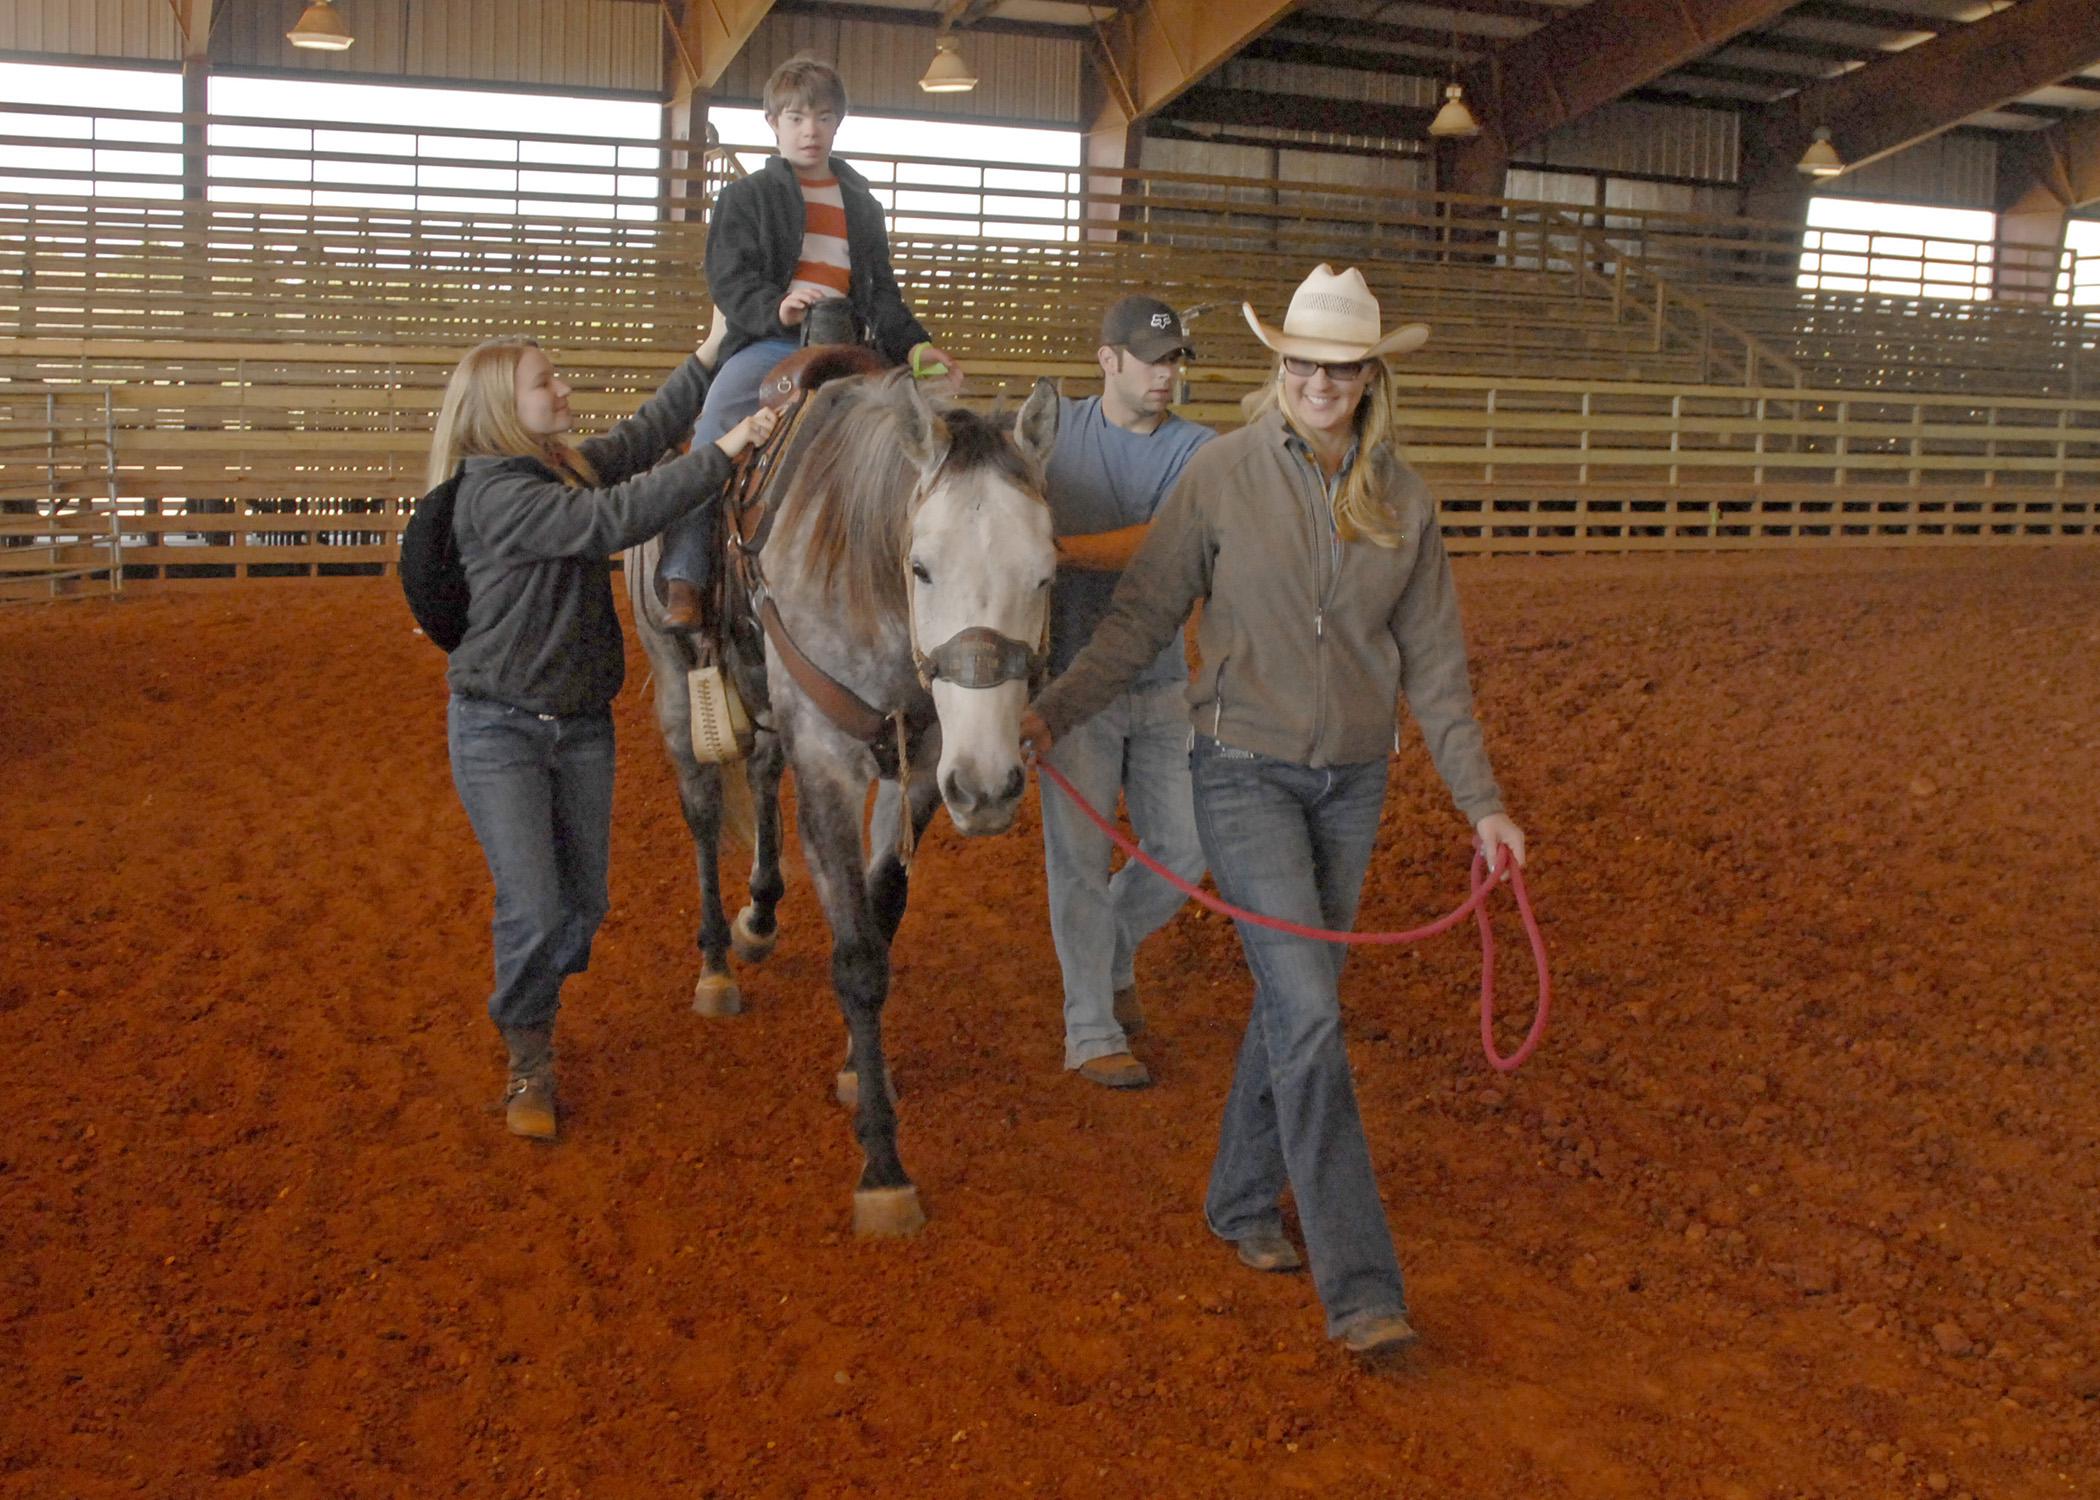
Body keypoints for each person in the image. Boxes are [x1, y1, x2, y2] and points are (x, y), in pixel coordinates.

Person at [1021, 265, 1527, 1357]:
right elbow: (1142, 618)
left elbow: (1434, 665)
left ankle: (1242, 1199)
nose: (1316, 381)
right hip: (1240, 771)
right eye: (1299, 362)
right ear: (1277, 365)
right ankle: (1361, 1287)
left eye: (1338, 367)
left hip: (1354, 779)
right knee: (1309, 1011)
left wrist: (1482, 805)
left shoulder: (1403, 499)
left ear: (1368, 376)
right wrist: (1052, 713)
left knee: (1294, 1005)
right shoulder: (1219, 475)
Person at [429, 330, 778, 1141]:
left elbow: (640, 438)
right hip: (500, 730)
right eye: (543, 383)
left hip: (579, 724)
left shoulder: (557, 467)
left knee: (581, 906)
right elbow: (613, 519)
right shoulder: (495, 495)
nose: (561, 390)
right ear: (500, 412)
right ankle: (528, 1056)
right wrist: (727, 448)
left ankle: (534, 996)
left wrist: (709, 354)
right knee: (537, 905)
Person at [656, 55, 964, 629]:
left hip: (855, 343)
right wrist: (778, 308)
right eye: (796, 117)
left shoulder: (862, 204)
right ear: (773, 122)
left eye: (823, 117)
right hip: (774, 343)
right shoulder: (746, 198)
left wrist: (918, 348)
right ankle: (686, 570)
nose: (810, 130)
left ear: (838, 123)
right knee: (715, 422)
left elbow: (883, 295)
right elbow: (729, 279)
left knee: (925, 430)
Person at [1040, 295, 1214, 1090]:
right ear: (1107, 359)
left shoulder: (1198, 450)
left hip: (1162, 680)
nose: (1167, 374)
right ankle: (1089, 1028)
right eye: (1154, 359)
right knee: (1077, 860)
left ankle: (1104, 955)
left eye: (1176, 360)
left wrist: (1060, 550)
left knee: (1183, 850)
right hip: (1073, 689)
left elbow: (1165, 549)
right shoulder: (1049, 433)